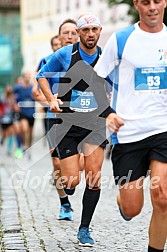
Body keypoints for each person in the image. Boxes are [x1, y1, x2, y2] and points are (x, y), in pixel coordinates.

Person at [37, 13, 123, 247]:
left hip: (95, 124)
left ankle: (84, 228)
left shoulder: (105, 57)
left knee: (94, 177)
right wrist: (50, 99)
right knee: (71, 181)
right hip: (67, 124)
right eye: (86, 30)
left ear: (99, 31)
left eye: (95, 30)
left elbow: (117, 84)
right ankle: (67, 191)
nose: (91, 34)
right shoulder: (65, 54)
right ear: (79, 33)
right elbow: (41, 76)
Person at [94, 0, 167, 251]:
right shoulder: (121, 39)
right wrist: (108, 113)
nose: (152, 7)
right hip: (128, 133)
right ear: (136, 4)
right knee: (132, 208)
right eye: (145, 2)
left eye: (157, 1)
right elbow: (95, 79)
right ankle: (124, 201)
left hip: (163, 129)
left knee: (163, 197)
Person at [33, 19, 80, 221]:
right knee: (58, 164)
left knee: (80, 165)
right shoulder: (48, 60)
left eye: (73, 33)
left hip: (82, 118)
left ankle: (72, 181)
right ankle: (65, 204)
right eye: (65, 33)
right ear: (59, 37)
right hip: (56, 118)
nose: (69, 36)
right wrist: (52, 100)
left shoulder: (86, 58)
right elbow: (37, 92)